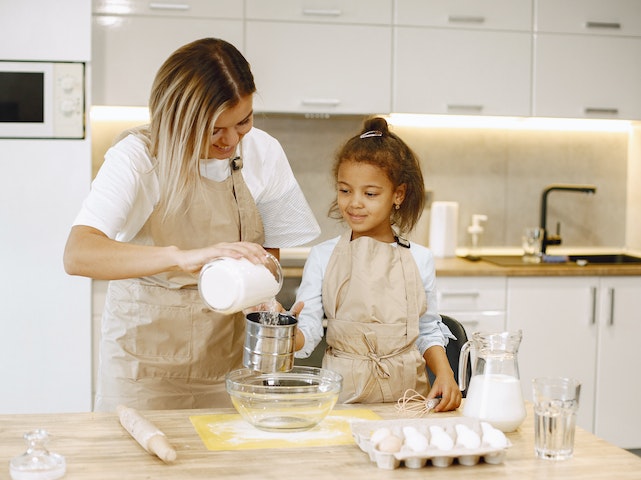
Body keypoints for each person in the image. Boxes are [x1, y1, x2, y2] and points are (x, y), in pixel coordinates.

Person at [63, 38, 320, 411]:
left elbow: (268, 257)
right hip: (145, 372)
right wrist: (183, 257)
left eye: (244, 121)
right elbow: (78, 254)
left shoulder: (264, 152)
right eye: (215, 129)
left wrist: (268, 306)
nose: (232, 140)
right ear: (178, 120)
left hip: (233, 369)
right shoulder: (137, 157)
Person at [293, 117, 461, 412]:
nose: (354, 203)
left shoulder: (419, 258)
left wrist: (445, 373)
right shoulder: (323, 256)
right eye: (345, 190)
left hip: (409, 400)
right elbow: (309, 330)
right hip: (342, 399)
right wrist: (284, 334)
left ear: (398, 194)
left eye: (370, 194)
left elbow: (427, 329)